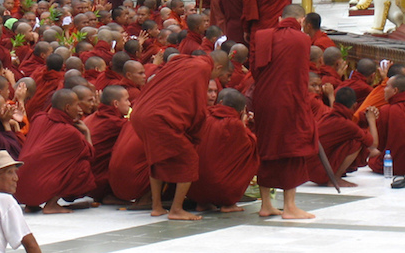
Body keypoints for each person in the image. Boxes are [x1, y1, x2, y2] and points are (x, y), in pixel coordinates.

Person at [130, 51, 229, 220]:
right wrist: (196, 129)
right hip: (159, 117)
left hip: (140, 112)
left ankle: (157, 207)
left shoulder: (184, 61)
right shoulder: (202, 67)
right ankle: (176, 210)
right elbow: (196, 102)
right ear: (218, 67)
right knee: (189, 158)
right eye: (219, 74)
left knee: (158, 158)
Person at [252, 15, 317, 219]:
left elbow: (255, 69)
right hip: (288, 100)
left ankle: (266, 205)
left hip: (263, 98)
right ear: (301, 20)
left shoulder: (261, 35)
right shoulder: (302, 39)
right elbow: (300, 75)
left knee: (266, 148)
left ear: (279, 18)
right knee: (292, 148)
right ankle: (289, 207)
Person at [15, 88, 95, 213]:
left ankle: (31, 205)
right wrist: (86, 133)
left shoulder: (39, 118)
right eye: (77, 105)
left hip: (18, 188)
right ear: (67, 108)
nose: (80, 109)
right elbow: (90, 154)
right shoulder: (71, 132)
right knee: (83, 166)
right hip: (38, 189)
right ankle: (52, 204)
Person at [187, 88, 259, 212]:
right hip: (221, 189)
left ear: (219, 102)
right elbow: (251, 145)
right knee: (252, 155)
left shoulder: (204, 115)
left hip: (193, 188)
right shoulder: (234, 124)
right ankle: (228, 204)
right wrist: (245, 125)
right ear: (242, 111)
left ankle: (202, 204)